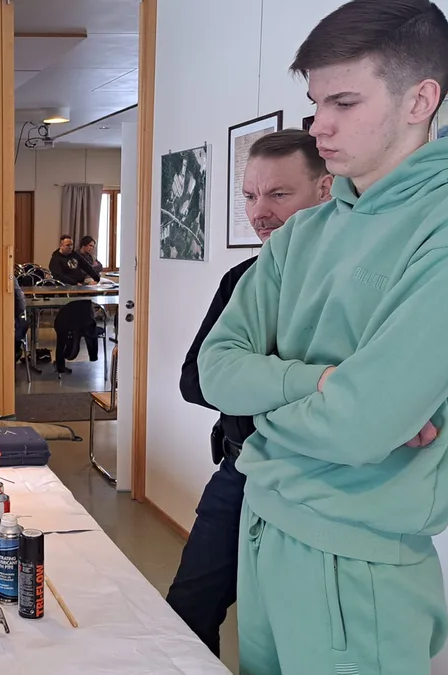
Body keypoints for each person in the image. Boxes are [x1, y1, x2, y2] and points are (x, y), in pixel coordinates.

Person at [198, 1, 448, 673]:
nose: (319, 126)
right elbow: (214, 370)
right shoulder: (303, 232)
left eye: (344, 102)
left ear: (420, 101)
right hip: (263, 526)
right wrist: (319, 384)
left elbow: (358, 426)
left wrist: (270, 403)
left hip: (355, 559)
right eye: (317, 103)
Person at [166, 129, 332, 657]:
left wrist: (246, 377)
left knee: (297, 637)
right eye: (250, 196)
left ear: (326, 189)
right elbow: (196, 380)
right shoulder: (242, 278)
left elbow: (356, 394)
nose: (260, 212)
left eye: (279, 194)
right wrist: (299, 381)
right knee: (186, 614)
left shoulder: (347, 284)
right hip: (240, 471)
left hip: (318, 483)